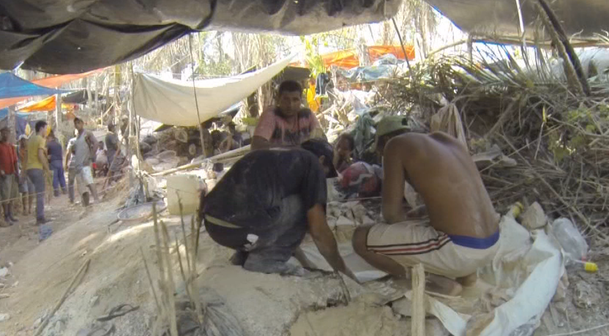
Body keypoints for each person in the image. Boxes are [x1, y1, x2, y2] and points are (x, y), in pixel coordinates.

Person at [352, 132, 500, 295]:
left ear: (385, 139)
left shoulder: (395, 145)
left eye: (380, 150)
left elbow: (391, 215)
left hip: (461, 251)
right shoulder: (448, 141)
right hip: (492, 243)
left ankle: (434, 281)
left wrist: (400, 230)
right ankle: (467, 276)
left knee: (360, 238)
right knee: (428, 225)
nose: (381, 155)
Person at [200, 139, 356, 280]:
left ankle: (242, 257)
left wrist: (306, 263)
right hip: (243, 227)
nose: (324, 179)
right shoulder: (312, 163)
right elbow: (319, 231)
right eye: (326, 173)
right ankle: (263, 261)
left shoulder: (277, 158)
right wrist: (344, 272)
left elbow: (285, 232)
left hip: (215, 227)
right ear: (321, 160)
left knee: (270, 206)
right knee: (308, 206)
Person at [251, 80, 324, 150]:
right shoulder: (272, 114)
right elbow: (256, 145)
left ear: (300, 101)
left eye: (295, 100)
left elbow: (323, 140)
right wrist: (298, 149)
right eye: (286, 99)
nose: (290, 105)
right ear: (278, 99)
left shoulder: (307, 115)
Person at [25, 121, 52, 224]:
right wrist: (47, 169)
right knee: (40, 194)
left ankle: (38, 214)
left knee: (37, 193)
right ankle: (40, 217)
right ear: (41, 129)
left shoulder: (31, 140)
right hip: (37, 168)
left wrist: (23, 172)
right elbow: (40, 155)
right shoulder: (41, 139)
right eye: (45, 128)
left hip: (29, 169)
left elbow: (26, 157)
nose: (46, 131)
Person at [72, 118, 99, 206]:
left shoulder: (87, 134)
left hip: (85, 164)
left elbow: (96, 143)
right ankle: (86, 205)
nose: (77, 125)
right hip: (78, 165)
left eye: (79, 123)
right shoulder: (77, 137)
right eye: (75, 123)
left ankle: (96, 200)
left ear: (82, 123)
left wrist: (91, 156)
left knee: (90, 183)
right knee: (82, 188)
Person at [0, 127, 19, 226]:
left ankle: (11, 214)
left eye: (6, 132)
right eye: (3, 133)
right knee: (5, 196)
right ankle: (6, 215)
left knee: (12, 195)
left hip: (12, 173)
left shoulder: (11, 147)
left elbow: (15, 160)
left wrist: (17, 172)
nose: (5, 135)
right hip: (4, 174)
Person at [16, 135, 33, 216]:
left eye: (25, 140)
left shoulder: (30, 149)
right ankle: (25, 208)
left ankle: (30, 207)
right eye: (22, 140)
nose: (23, 142)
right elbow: (17, 161)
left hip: (30, 171)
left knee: (31, 190)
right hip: (22, 171)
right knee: (24, 191)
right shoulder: (17, 149)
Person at [46, 130, 67, 197]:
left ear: (49, 137)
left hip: (53, 162)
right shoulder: (58, 144)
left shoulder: (48, 144)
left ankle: (56, 191)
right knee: (61, 176)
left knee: (54, 177)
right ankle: (64, 189)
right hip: (60, 161)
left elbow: (45, 153)